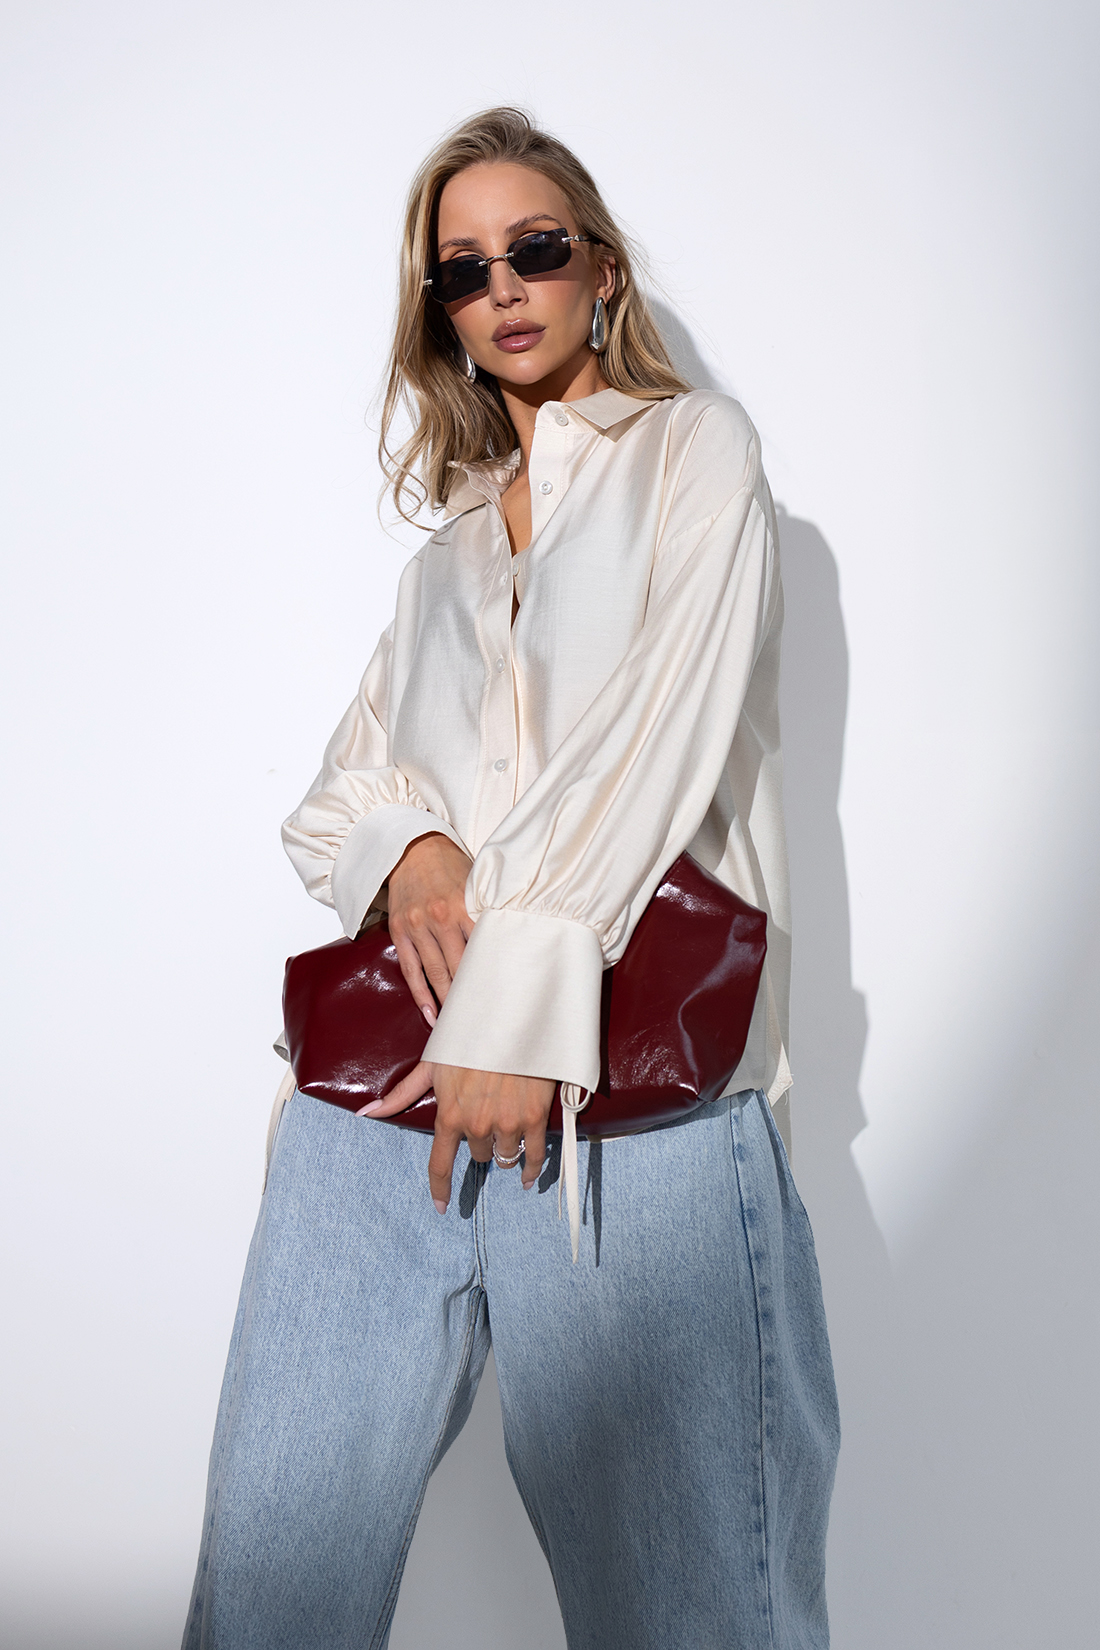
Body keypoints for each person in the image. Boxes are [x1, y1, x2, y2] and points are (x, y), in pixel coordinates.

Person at [183, 107, 839, 1650]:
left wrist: (516, 989)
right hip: (374, 1125)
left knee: (691, 1615)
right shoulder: (448, 561)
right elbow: (343, 794)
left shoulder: (694, 454)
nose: (505, 287)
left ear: (600, 268)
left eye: (535, 248)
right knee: (269, 1593)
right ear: (442, 315)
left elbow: (654, 737)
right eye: (463, 270)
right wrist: (409, 851)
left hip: (636, 1118)